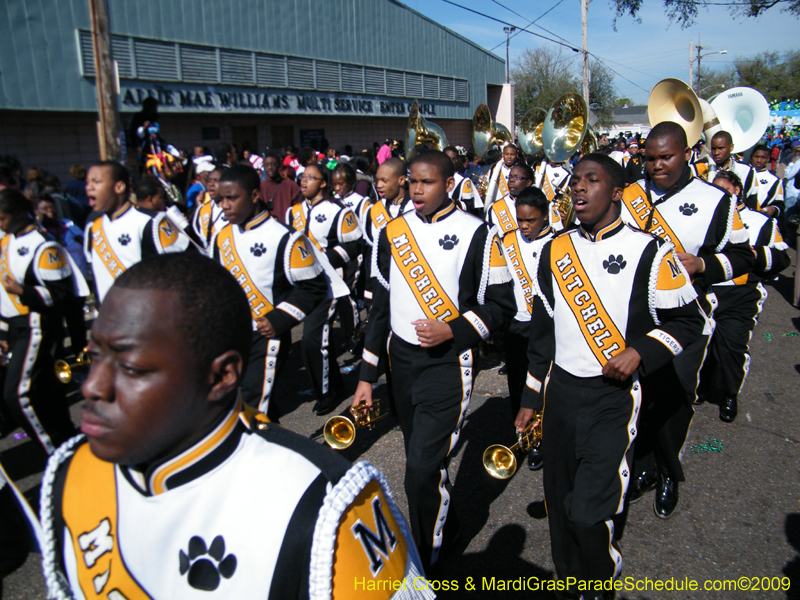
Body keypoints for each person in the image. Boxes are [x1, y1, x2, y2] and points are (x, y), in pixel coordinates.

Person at [39, 253, 433, 600]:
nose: (92, 386)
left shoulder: (324, 506)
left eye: (130, 367)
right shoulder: (74, 469)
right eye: (94, 356)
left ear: (221, 376)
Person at [515, 154, 704, 598]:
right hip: (560, 392)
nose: (578, 189)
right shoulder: (554, 249)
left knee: (587, 511)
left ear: (616, 191)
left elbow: (688, 323)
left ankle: (600, 577)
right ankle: (572, 578)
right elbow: (543, 332)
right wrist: (529, 396)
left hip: (613, 397)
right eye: (575, 181)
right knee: (560, 507)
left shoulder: (650, 251)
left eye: (592, 180)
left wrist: (640, 351)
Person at [353, 151, 516, 569]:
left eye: (427, 182)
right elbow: (382, 308)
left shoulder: (478, 234)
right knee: (424, 463)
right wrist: (367, 376)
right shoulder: (392, 232)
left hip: (447, 364)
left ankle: (428, 564)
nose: (417, 190)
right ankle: (450, 525)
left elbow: (502, 305)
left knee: (420, 471)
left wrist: (455, 329)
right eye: (412, 182)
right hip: (400, 360)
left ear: (449, 184)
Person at [620, 121, 754, 518]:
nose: (657, 165)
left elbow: (745, 257)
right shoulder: (628, 194)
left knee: (675, 398)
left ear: (687, 153)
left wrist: (704, 263)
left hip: (687, 319)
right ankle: (641, 467)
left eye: (666, 157)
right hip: (633, 315)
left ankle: (666, 472)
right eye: (650, 158)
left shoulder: (716, 201)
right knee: (637, 396)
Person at [211, 165, 327, 420]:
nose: (224, 206)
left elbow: (315, 286)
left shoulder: (284, 237)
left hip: (266, 336)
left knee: (254, 408)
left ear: (254, 195)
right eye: (221, 199)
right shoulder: (221, 237)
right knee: (235, 402)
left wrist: (278, 319)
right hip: (231, 335)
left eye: (232, 198)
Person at [0, 189, 89, 455]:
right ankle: (67, 442)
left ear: (17, 214)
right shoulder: (7, 241)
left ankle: (52, 450)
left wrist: (23, 291)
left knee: (17, 393)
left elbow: (60, 294)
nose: (0, 224)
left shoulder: (44, 244)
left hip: (36, 325)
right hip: (16, 326)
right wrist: (3, 330)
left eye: (3, 218)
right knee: (46, 390)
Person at [699, 171, 790, 422]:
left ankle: (729, 393)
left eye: (725, 188)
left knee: (732, 346)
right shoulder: (705, 215)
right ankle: (700, 386)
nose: (720, 193)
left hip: (742, 293)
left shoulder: (761, 222)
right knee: (700, 342)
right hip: (707, 289)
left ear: (737, 190)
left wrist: (752, 253)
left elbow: (782, 258)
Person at [287, 164, 360, 415]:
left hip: (328, 286)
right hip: (302, 287)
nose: (304, 181)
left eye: (311, 177)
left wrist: (325, 260)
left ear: (324, 183)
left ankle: (326, 393)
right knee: (316, 343)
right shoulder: (292, 212)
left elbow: (354, 244)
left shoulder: (337, 211)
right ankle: (336, 385)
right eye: (302, 177)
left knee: (311, 340)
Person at [498, 186, 553, 469]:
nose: (524, 226)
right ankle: (520, 433)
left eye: (530, 220)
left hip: (546, 328)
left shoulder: (557, 243)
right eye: (520, 219)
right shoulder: (507, 240)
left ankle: (539, 438)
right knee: (517, 383)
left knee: (540, 385)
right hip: (516, 325)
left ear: (545, 216)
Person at [83, 161, 192, 304]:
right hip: (109, 319)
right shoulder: (93, 227)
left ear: (119, 187)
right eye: (88, 182)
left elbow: (183, 267)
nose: (89, 187)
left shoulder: (152, 222)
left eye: (96, 182)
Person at [709, 131, 759, 209]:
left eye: (721, 148)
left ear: (731, 147)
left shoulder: (746, 171)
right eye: (713, 149)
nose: (716, 153)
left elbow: (751, 202)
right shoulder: (702, 168)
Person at [486, 163, 534, 234]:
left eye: (517, 177)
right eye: (510, 177)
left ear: (528, 182)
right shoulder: (494, 208)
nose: (511, 180)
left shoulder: (541, 204)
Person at [260, 151, 302, 222]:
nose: (270, 167)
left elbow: (299, 209)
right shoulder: (260, 186)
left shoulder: (291, 185)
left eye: (273, 164)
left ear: (279, 165)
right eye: (267, 165)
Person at [444, 146, 483, 216]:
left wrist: (455, 203)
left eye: (453, 159)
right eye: (447, 158)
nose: (450, 161)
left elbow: (470, 206)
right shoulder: (435, 179)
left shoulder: (463, 182)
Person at [750, 144, 784, 219]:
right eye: (756, 157)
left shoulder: (775, 180)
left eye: (763, 157)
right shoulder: (742, 172)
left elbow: (780, 203)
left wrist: (773, 209)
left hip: (761, 218)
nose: (759, 160)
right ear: (751, 156)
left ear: (768, 159)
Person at [483, 143, 519, 210]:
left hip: (514, 207)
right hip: (497, 207)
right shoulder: (493, 169)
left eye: (512, 154)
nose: (509, 157)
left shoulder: (520, 170)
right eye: (507, 154)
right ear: (502, 155)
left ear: (517, 155)